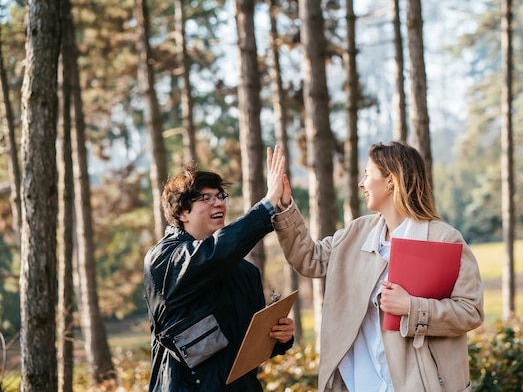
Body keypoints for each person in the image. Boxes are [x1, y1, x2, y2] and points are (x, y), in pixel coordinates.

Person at [271, 141, 484, 392]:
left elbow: (471, 310)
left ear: (391, 180)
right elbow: (309, 258)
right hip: (357, 383)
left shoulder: (444, 239)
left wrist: (412, 307)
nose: (361, 184)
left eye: (367, 174)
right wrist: (285, 207)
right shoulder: (357, 233)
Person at [144, 146, 295, 392]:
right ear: (182, 212)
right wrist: (267, 206)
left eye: (220, 196)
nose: (218, 203)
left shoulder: (246, 272)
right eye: (206, 198)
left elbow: (252, 344)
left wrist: (280, 337)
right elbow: (211, 255)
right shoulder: (163, 260)